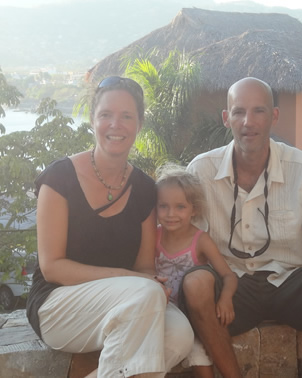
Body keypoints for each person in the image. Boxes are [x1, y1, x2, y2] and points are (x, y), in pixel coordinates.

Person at [183, 77, 302, 378]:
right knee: (195, 284)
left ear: (274, 116)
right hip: (232, 289)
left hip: (290, 281)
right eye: (239, 112)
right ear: (226, 118)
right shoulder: (201, 171)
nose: (248, 122)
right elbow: (185, 239)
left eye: (259, 111)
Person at [26, 76, 194, 378]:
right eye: (106, 115)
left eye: (126, 116)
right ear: (93, 120)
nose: (116, 124)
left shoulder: (144, 189)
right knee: (145, 294)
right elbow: (52, 268)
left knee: (181, 334)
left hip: (126, 303)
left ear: (139, 124)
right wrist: (129, 279)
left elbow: (144, 268)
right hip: (59, 305)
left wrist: (138, 282)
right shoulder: (59, 178)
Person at [154, 164, 238, 378]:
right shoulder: (153, 237)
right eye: (163, 206)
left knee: (201, 358)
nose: (171, 214)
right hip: (162, 313)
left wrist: (225, 298)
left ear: (194, 209)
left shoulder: (200, 240)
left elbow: (228, 275)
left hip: (193, 316)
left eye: (180, 207)